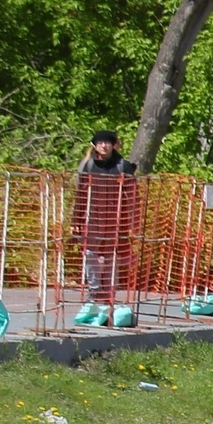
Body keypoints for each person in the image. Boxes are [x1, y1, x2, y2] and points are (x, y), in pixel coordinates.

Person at [74, 130, 139, 312]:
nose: (104, 145)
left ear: (113, 145)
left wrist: (134, 222)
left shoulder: (123, 166)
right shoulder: (87, 166)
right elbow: (80, 195)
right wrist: (76, 220)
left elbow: (134, 196)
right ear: (95, 145)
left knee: (112, 257)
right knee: (91, 255)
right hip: (93, 219)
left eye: (107, 142)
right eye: (100, 142)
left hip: (117, 221)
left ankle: (109, 292)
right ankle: (94, 292)